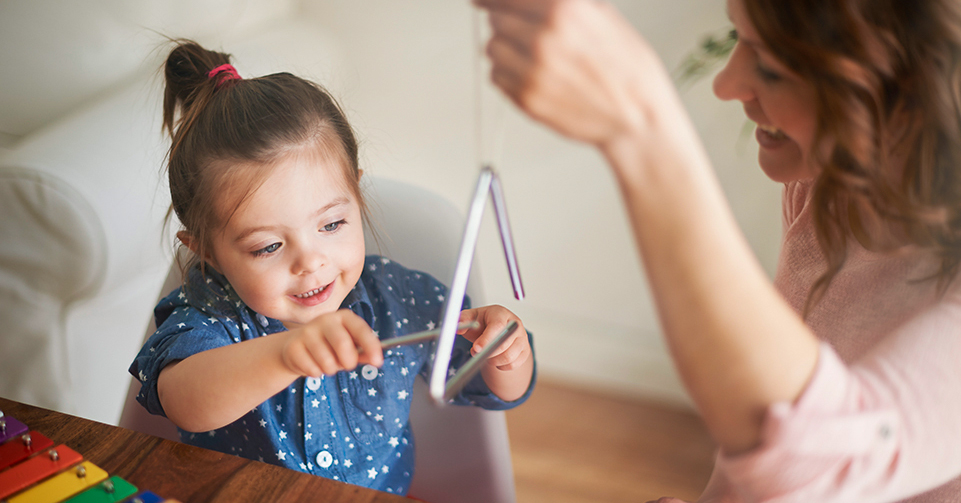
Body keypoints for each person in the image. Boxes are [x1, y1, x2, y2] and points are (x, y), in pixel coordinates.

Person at [474, 0, 961, 501]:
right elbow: (775, 432)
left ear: (912, 86)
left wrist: (643, 126)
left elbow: (822, 457)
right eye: (737, 40)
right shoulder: (831, 187)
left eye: (771, 67)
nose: (726, 85)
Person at [128, 40, 536, 495]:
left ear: (357, 198)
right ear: (205, 252)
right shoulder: (207, 314)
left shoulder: (400, 299)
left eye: (332, 223)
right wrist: (286, 354)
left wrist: (504, 351)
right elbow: (186, 401)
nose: (310, 261)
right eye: (268, 247)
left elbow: (494, 386)